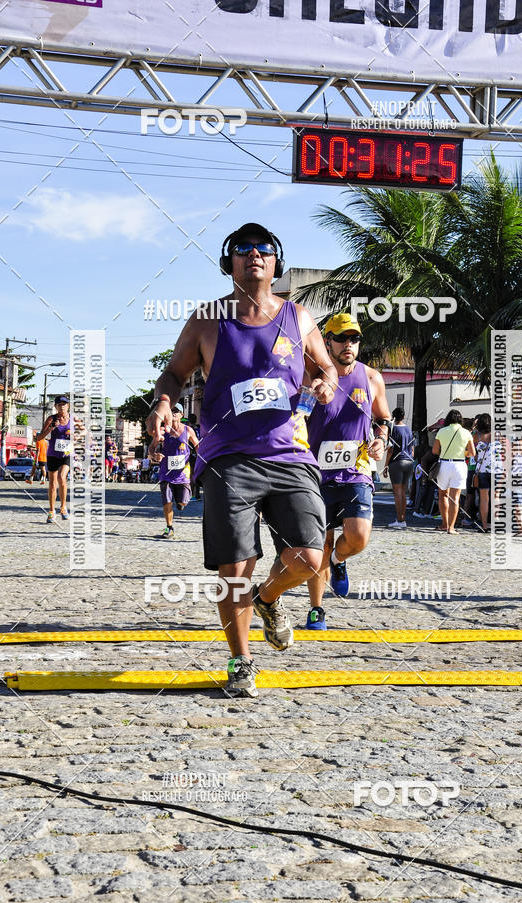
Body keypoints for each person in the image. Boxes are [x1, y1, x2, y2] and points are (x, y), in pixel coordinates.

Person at [146, 222, 337, 698]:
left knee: (310, 561)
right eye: (243, 249)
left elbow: (327, 366)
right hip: (227, 456)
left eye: (264, 248)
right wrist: (163, 403)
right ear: (229, 262)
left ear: (277, 262)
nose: (254, 254)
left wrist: (325, 382)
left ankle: (268, 599)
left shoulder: (300, 316)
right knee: (235, 568)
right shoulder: (208, 319)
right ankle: (241, 661)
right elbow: (173, 373)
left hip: (290, 454)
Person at [304, 313, 390, 628]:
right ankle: (316, 609)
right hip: (315, 473)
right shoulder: (311, 374)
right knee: (319, 545)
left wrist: (380, 440)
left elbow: (382, 419)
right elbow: (296, 417)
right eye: (341, 338)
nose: (348, 344)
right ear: (327, 341)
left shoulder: (371, 378)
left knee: (358, 538)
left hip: (357, 468)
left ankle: (338, 562)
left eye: (354, 338)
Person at [149, 405, 199, 538]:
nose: (173, 413)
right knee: (167, 500)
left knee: (182, 501)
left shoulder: (188, 430)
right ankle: (169, 527)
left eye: (176, 411)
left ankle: (181, 503)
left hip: (183, 472)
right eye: (171, 411)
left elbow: (197, 445)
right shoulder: (163, 431)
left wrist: (204, 456)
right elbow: (151, 448)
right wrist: (155, 455)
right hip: (166, 472)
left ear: (182, 415)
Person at [432, 410, 476, 534]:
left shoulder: (442, 431)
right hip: (460, 465)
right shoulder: (466, 432)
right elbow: (472, 453)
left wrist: (446, 452)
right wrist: (462, 453)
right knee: (455, 498)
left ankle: (444, 524)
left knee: (442, 495)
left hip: (444, 464)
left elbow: (435, 450)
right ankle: (451, 527)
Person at [36, 395, 72, 523]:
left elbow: (84, 431)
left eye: (64, 404)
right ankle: (51, 511)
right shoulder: (51, 419)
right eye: (59, 404)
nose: (62, 406)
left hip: (66, 454)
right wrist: (51, 428)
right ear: (56, 406)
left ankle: (63, 507)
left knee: (62, 477)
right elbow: (40, 437)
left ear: (68, 405)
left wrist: (76, 435)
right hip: (52, 454)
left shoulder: (73, 419)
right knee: (52, 483)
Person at [382, 407, 414, 529]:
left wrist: (385, 466)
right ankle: (403, 519)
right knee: (404, 492)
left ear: (393, 417)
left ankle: (399, 520)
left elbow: (390, 450)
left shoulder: (393, 430)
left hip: (397, 462)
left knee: (397, 493)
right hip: (409, 461)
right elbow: (412, 449)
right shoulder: (408, 430)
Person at [472, 413, 502, 533]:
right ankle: (495, 525)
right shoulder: (498, 435)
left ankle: (484, 526)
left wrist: (474, 426)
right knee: (496, 497)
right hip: (497, 470)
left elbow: (473, 453)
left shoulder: (477, 436)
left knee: (484, 499)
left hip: (482, 470)